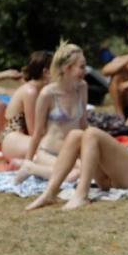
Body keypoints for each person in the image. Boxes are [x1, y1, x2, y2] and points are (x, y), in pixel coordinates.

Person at [18, 43, 89, 181]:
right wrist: (28, 159)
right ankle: (30, 167)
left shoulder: (82, 87)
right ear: (68, 68)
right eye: (81, 67)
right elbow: (37, 133)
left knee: (91, 168)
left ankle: (40, 170)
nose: (85, 71)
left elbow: (83, 123)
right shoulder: (47, 94)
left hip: (71, 153)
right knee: (74, 175)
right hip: (49, 153)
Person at [0, 51, 52, 162]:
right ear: (45, 72)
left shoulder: (40, 90)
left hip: (23, 139)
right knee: (53, 149)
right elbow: (33, 131)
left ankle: (23, 163)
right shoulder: (30, 92)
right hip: (13, 140)